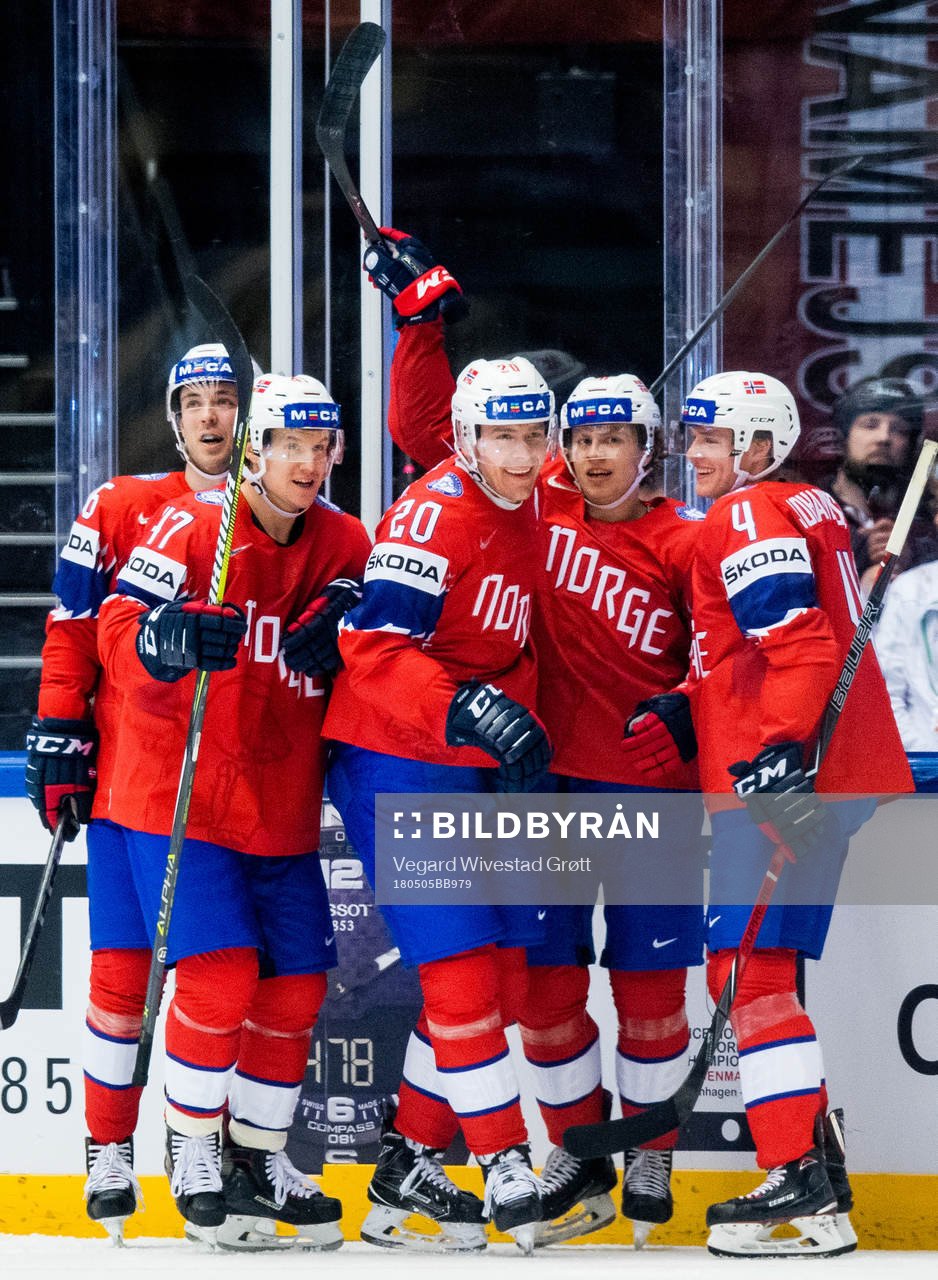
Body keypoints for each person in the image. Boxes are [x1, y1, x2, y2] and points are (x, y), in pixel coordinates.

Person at [360, 228, 707, 1249]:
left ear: (650, 450)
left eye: (615, 439)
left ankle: (643, 1153)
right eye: (579, 439)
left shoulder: (684, 538)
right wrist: (417, 324)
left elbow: (735, 647)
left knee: (647, 989)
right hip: (540, 779)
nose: (591, 456)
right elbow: (429, 425)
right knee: (539, 986)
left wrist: (692, 696)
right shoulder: (530, 499)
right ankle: (576, 1152)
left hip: (646, 791)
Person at [627, 370, 913, 1256]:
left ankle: (800, 1186)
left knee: (744, 977)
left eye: (713, 440)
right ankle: (814, 1170)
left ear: (758, 446)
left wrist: (782, 749)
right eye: (695, 437)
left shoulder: (747, 515)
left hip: (783, 780)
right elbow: (758, 639)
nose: (695, 455)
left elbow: (797, 641)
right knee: (765, 973)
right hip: (814, 771)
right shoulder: (811, 510)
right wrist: (697, 698)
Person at [94, 372, 370, 1248]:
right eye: (291, 445)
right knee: (217, 978)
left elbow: (396, 622)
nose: (309, 463)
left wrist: (354, 617)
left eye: (322, 447)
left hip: (279, 800)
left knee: (294, 989)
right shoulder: (190, 526)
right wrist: (160, 639)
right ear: (254, 452)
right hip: (177, 789)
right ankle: (194, 1147)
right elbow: (113, 622)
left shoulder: (345, 542)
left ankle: (256, 1162)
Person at [323, 350, 555, 1254]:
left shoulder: (533, 497)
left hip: (467, 755)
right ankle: (502, 1160)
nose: (527, 454)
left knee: (503, 973)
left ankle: (406, 1168)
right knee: (460, 968)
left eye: (537, 435)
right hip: (395, 752)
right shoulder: (431, 515)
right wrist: (468, 706)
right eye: (504, 436)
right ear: (466, 438)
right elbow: (375, 647)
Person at [24, 343, 239, 1241]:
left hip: (230, 787)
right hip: (127, 778)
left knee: (222, 978)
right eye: (195, 401)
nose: (210, 417)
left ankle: (201, 1143)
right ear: (173, 412)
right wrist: (57, 728)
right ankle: (107, 1147)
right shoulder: (119, 503)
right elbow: (73, 622)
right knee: (119, 974)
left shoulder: (287, 513)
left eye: (227, 400)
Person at [824, 376, 921, 587]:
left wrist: (912, 558)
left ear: (911, 445)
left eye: (899, 429)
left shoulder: (926, 514)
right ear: (844, 436)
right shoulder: (812, 508)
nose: (884, 437)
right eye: (870, 425)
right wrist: (859, 557)